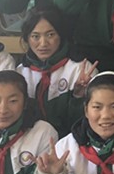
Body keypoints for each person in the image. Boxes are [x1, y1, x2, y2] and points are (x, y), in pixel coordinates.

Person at [16, 7, 97, 135]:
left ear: (61, 35)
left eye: (50, 35)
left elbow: (92, 122)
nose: (43, 43)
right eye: (35, 36)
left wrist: (78, 97)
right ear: (27, 38)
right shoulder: (20, 72)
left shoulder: (81, 69)